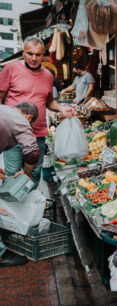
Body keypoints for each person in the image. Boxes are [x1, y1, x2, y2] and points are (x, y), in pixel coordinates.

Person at [0, 36, 73, 189]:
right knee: (12, 175)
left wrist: (61, 109)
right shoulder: (10, 69)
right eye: (29, 53)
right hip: (13, 135)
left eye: (38, 54)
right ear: (23, 53)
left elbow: (49, 101)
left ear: (43, 54)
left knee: (33, 176)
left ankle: (29, 210)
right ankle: (13, 211)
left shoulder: (48, 75)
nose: (33, 58)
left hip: (37, 135)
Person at [0, 102, 41, 267]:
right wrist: (27, 172)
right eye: (31, 125)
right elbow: (32, 151)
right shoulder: (20, 120)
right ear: (29, 117)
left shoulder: (4, 110)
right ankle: (2, 255)